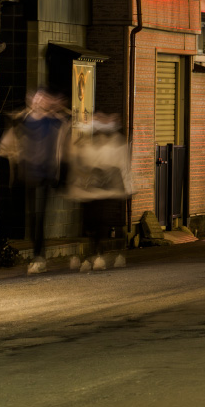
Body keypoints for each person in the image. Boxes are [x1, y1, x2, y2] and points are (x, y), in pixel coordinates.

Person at [10, 89, 70, 274]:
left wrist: (57, 107)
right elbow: (15, 123)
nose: (39, 102)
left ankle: (38, 256)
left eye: (42, 99)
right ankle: (38, 255)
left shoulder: (51, 120)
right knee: (34, 216)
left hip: (45, 174)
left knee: (40, 215)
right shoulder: (25, 119)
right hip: (30, 172)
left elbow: (67, 121)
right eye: (36, 99)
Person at [65, 109, 132, 271]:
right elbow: (76, 161)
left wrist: (126, 184)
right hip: (89, 188)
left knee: (102, 220)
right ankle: (93, 253)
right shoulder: (86, 142)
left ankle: (98, 253)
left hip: (106, 188)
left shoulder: (116, 142)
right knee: (90, 221)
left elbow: (122, 164)